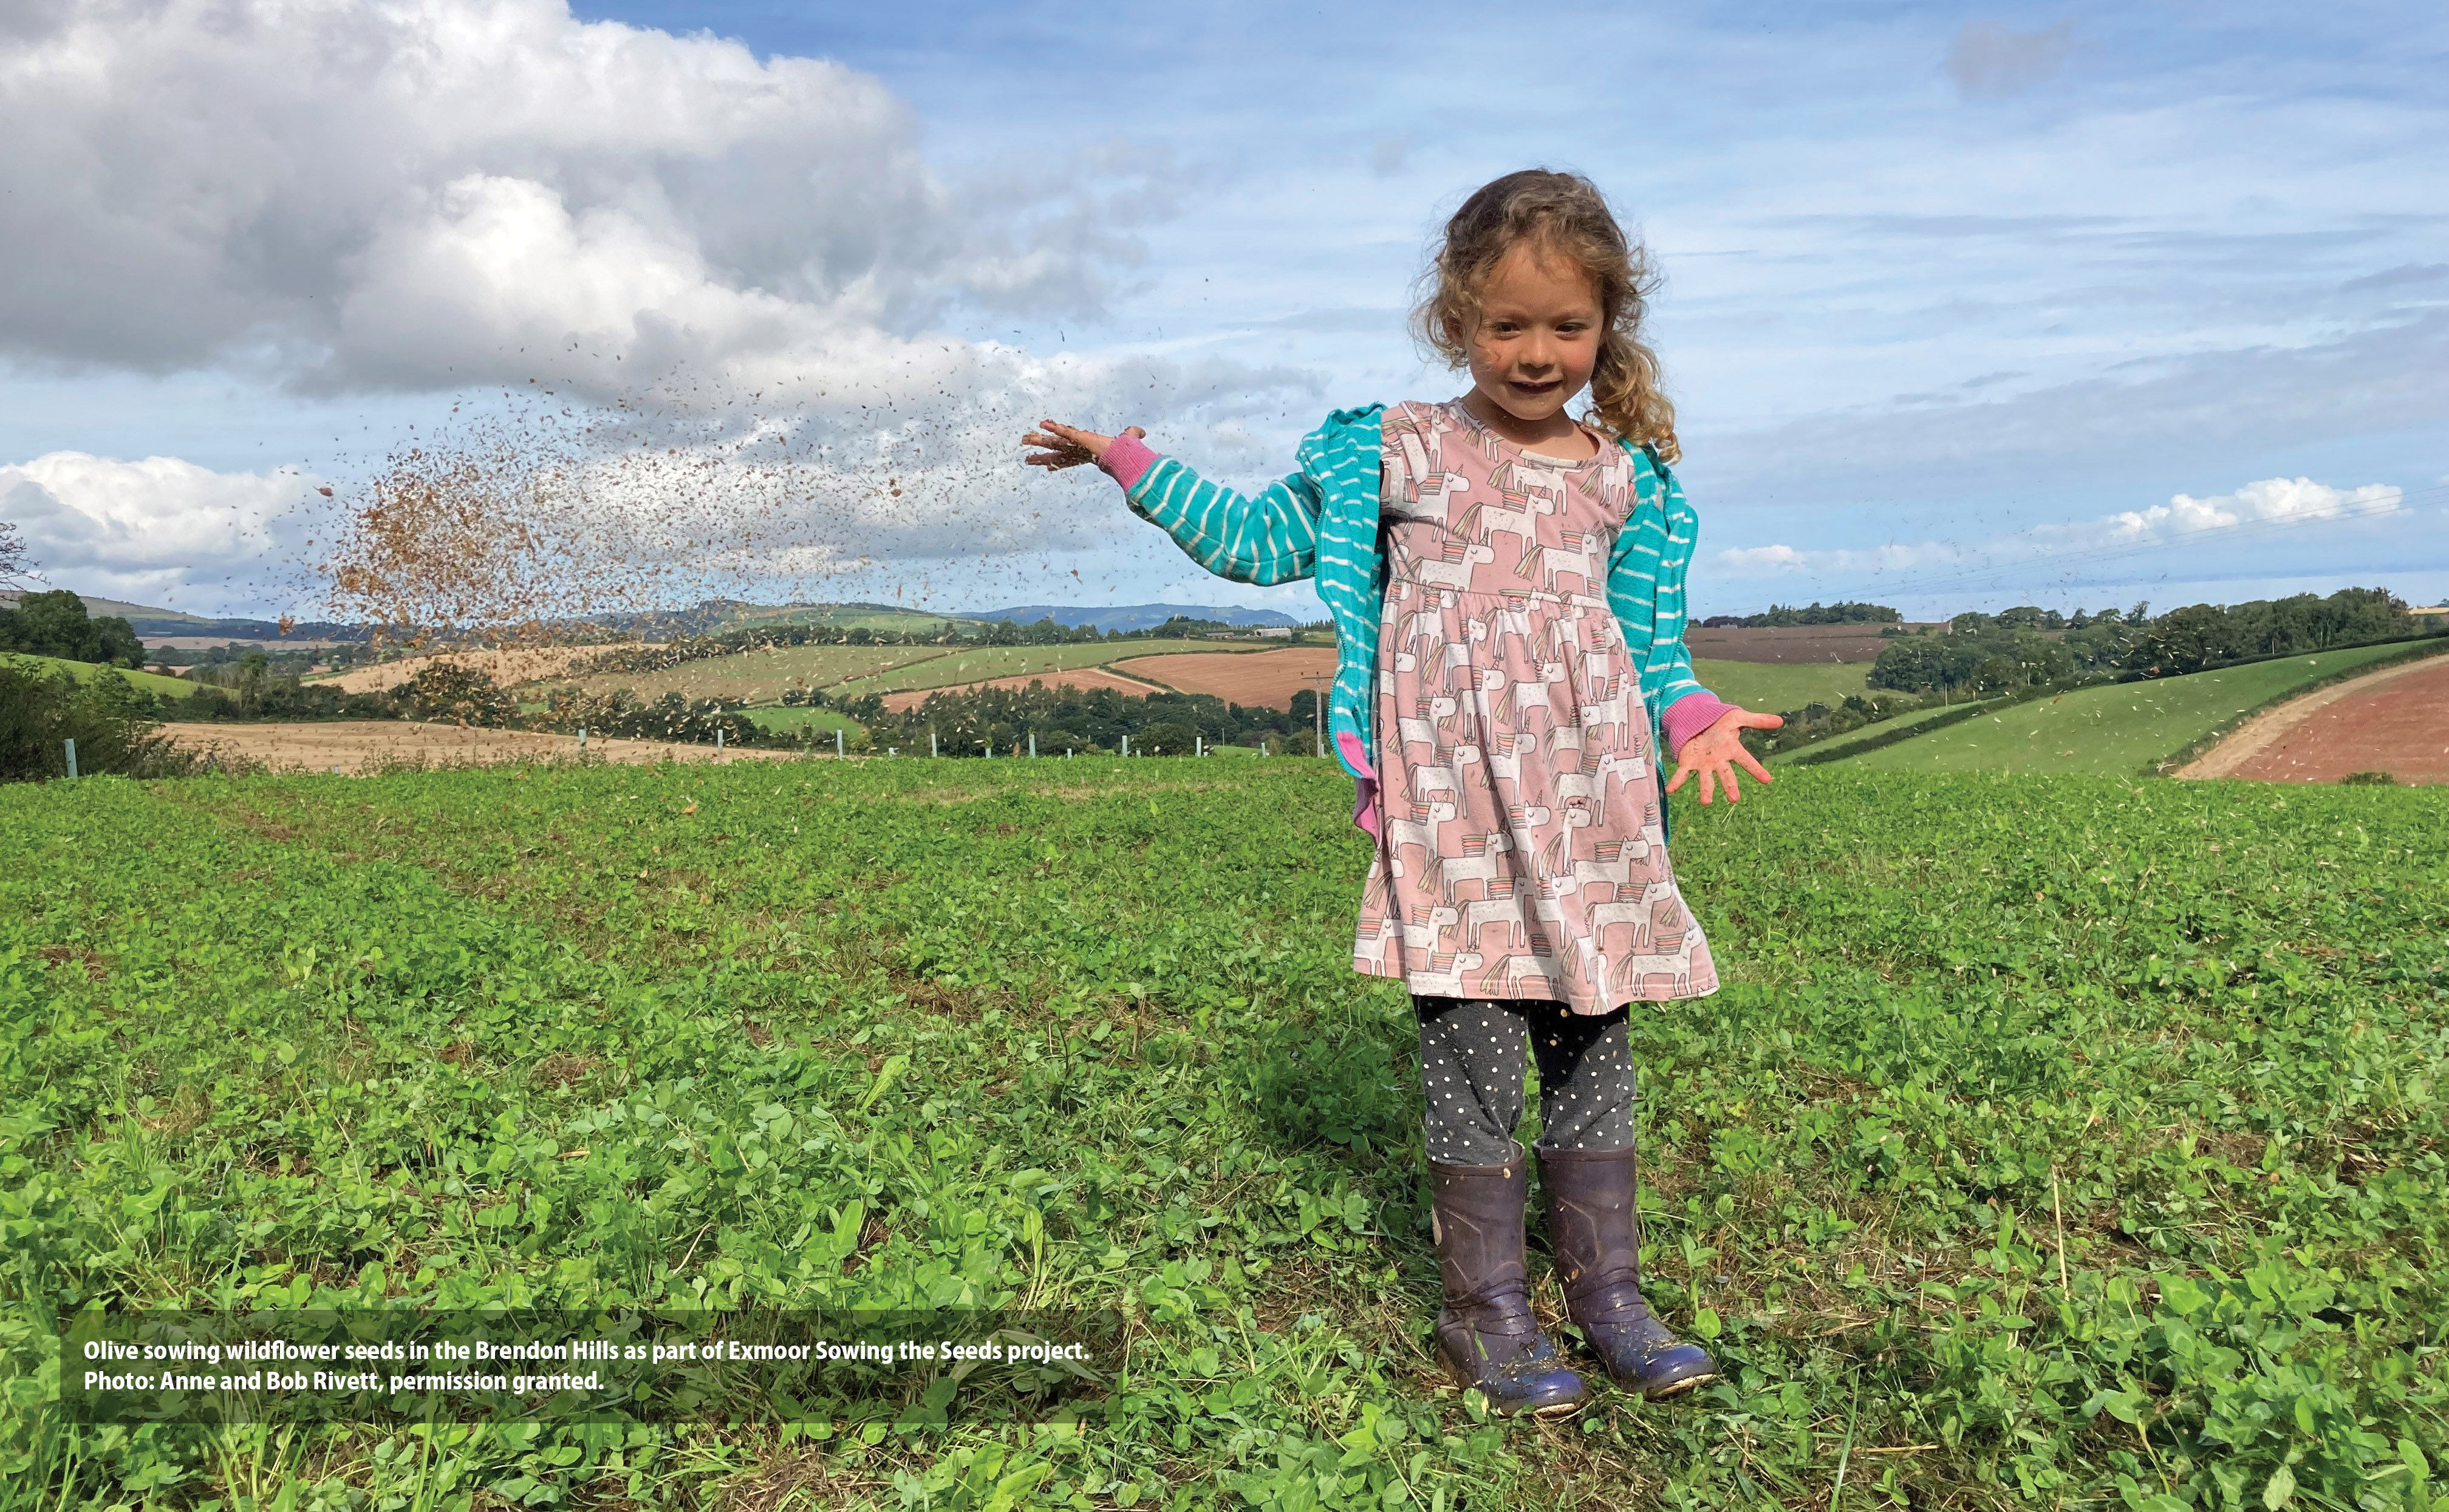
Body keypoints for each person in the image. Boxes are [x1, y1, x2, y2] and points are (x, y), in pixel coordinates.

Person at [1020, 168, 1782, 1417]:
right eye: (1507, 326)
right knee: (1476, 1047)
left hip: (1591, 810)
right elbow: (1258, 542)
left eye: (1567, 327)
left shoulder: (1627, 477)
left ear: (1608, 326)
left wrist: (1694, 713)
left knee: (1596, 1039)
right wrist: (1128, 457)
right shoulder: (1399, 449)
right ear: (1456, 321)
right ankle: (1484, 1313)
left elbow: (1654, 647)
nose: (1537, 353)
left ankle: (1610, 1299)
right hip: (1458, 809)